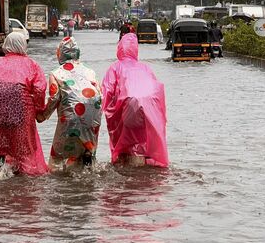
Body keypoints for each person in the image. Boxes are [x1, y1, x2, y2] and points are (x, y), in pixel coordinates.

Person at [0, 32, 48, 176]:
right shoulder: (31, 64)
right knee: (23, 151)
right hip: (22, 116)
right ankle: (22, 182)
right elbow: (40, 88)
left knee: (0, 150)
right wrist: (39, 111)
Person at [101, 33, 169, 167]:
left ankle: (128, 174)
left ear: (120, 49)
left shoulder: (115, 67)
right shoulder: (145, 68)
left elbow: (106, 92)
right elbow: (157, 90)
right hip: (149, 111)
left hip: (128, 108)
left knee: (126, 143)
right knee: (141, 143)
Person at [36, 37, 102, 171]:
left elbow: (54, 97)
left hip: (70, 118)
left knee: (57, 159)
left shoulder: (56, 73)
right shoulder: (90, 72)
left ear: (60, 53)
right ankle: (87, 160)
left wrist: (43, 115)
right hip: (93, 118)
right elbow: (99, 94)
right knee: (86, 157)